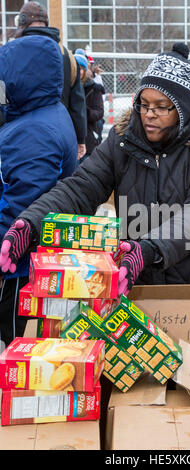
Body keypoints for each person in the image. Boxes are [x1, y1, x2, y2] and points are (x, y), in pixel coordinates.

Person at [0, 44, 190, 358]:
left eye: (162, 107)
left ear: (184, 108)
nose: (149, 115)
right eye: (144, 104)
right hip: (145, 287)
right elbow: (82, 186)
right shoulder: (122, 140)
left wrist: (150, 249)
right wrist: (30, 223)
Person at [0, 35, 77, 349]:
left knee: (13, 342)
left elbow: (23, 202)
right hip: (33, 258)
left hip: (21, 265)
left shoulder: (35, 130)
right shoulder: (44, 113)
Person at [14, 1, 87, 161]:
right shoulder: (67, 56)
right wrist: (80, 138)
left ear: (22, 22)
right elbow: (77, 104)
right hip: (59, 140)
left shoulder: (10, 53)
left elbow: (1, 98)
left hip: (20, 141)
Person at [74, 53, 105, 163]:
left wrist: (83, 111)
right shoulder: (68, 89)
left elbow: (99, 113)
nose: (79, 72)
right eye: (76, 68)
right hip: (71, 139)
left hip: (89, 137)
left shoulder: (94, 89)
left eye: (81, 68)